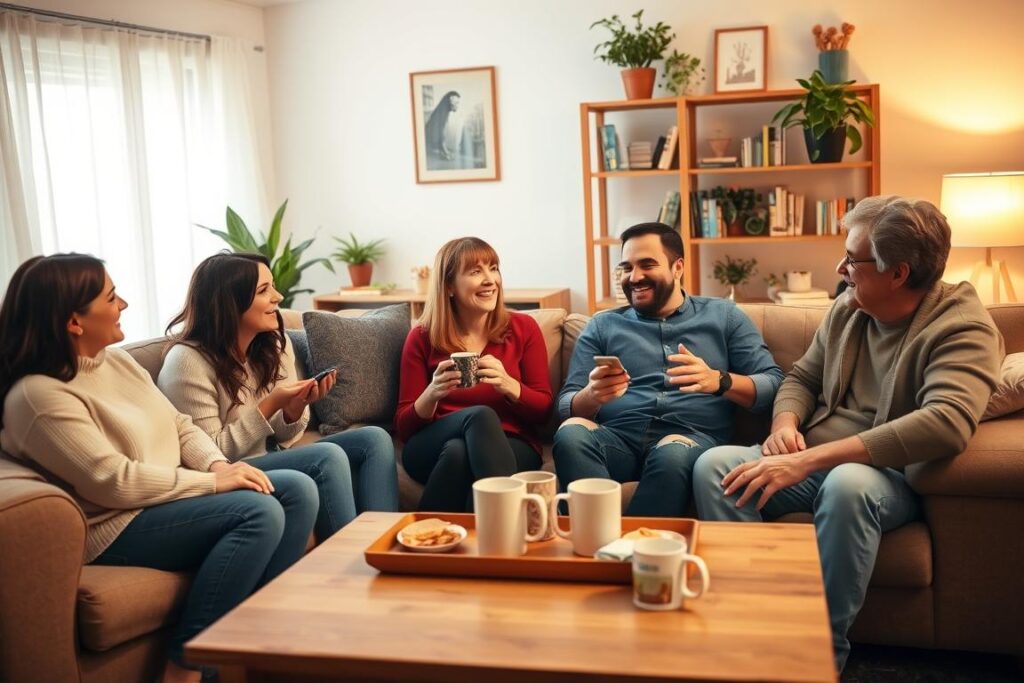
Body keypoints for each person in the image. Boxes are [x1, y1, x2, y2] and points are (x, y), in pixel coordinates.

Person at [692, 196, 1004, 671]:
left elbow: (946, 421)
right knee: (716, 466)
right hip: (811, 459)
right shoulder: (848, 308)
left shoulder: (963, 327)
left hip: (887, 476)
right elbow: (801, 379)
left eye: (852, 259)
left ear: (897, 272)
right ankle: (759, 622)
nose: (840, 268)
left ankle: (819, 650)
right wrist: (784, 424)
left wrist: (811, 460)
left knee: (848, 482)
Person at [0, 254, 318, 683]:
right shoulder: (38, 396)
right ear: (74, 321)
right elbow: (113, 481)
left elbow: (180, 424)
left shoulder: (115, 361)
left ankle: (263, 643)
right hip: (114, 524)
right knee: (258, 512)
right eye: (112, 297)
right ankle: (185, 667)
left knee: (293, 489)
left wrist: (220, 465)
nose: (124, 305)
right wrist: (210, 482)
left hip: (162, 502)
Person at [158, 253, 398, 540]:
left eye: (273, 286)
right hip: (228, 471)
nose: (278, 296)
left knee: (374, 438)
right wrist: (270, 405)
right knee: (327, 456)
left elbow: (284, 438)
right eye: (264, 290)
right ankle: (351, 564)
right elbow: (211, 455)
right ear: (229, 302)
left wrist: (293, 409)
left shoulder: (272, 344)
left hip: (269, 456)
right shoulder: (187, 362)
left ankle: (388, 545)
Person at [553, 222, 783, 517]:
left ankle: (633, 549)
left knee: (672, 452)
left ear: (678, 267)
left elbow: (774, 384)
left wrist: (720, 381)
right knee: (570, 433)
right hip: (618, 441)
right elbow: (566, 405)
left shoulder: (724, 316)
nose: (634, 277)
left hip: (688, 440)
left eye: (647, 265)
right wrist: (592, 395)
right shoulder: (603, 325)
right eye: (627, 267)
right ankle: (596, 541)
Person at [395, 237, 552, 511]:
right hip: (430, 444)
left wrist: (510, 385)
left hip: (511, 443)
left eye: (493, 268)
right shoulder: (422, 337)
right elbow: (404, 428)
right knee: (479, 416)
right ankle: (507, 526)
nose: (490, 280)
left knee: (458, 453)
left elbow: (544, 411)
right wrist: (431, 394)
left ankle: (427, 541)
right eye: (476, 271)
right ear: (449, 287)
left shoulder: (523, 328)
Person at [424, 90, 461, 164]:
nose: (457, 105)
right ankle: (444, 152)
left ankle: (444, 152)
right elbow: (440, 133)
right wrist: (445, 151)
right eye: (456, 102)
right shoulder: (442, 113)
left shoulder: (443, 110)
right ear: (451, 100)